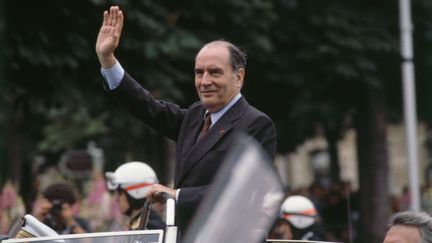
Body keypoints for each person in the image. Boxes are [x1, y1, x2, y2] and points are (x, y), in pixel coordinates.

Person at [95, 6, 277, 233]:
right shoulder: (194, 116)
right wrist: (107, 60)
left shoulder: (256, 124)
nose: (204, 81)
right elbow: (148, 107)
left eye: (215, 72)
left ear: (238, 76)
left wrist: (176, 195)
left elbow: (244, 192)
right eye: (199, 72)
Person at [105, 161, 166, 230]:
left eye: (120, 193)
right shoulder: (140, 222)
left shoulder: (149, 227)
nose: (116, 199)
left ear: (137, 192)